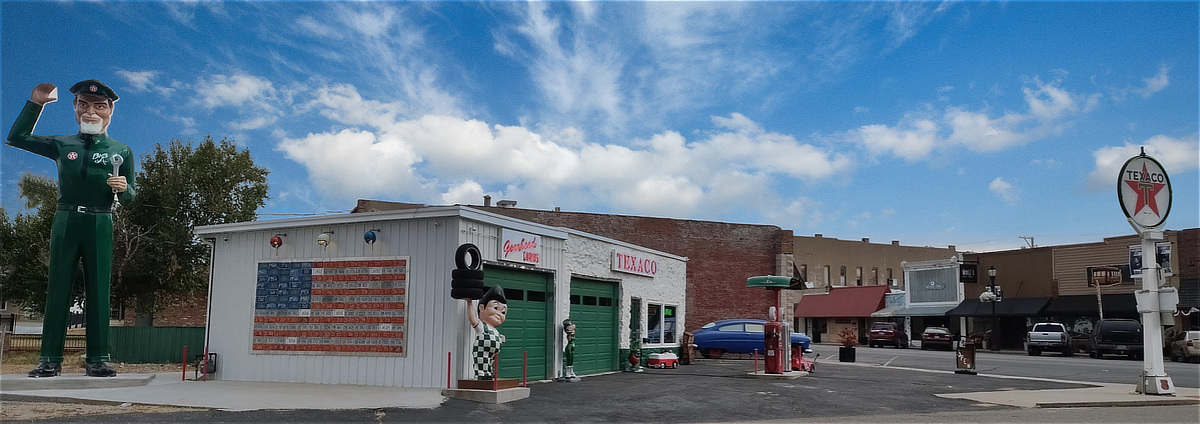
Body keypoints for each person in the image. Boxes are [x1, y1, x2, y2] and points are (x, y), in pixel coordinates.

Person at [6, 79, 135, 378]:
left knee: (99, 289)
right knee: (58, 287)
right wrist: (36, 103)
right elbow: (18, 137)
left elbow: (131, 197)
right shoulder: (63, 145)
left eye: (99, 106)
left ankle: (98, 359)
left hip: (100, 220)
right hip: (66, 218)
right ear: (75, 108)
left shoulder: (121, 150)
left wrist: (124, 188)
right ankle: (49, 359)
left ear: (110, 112)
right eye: (83, 105)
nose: (91, 112)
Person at [465, 286, 507, 380]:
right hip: (482, 350)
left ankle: (488, 374)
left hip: (493, 353)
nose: (499, 314)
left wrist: (500, 339)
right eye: (495, 308)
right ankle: (481, 375)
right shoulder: (482, 326)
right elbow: (472, 319)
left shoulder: (495, 330)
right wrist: (469, 303)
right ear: (482, 308)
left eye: (503, 312)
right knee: (482, 362)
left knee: (490, 364)